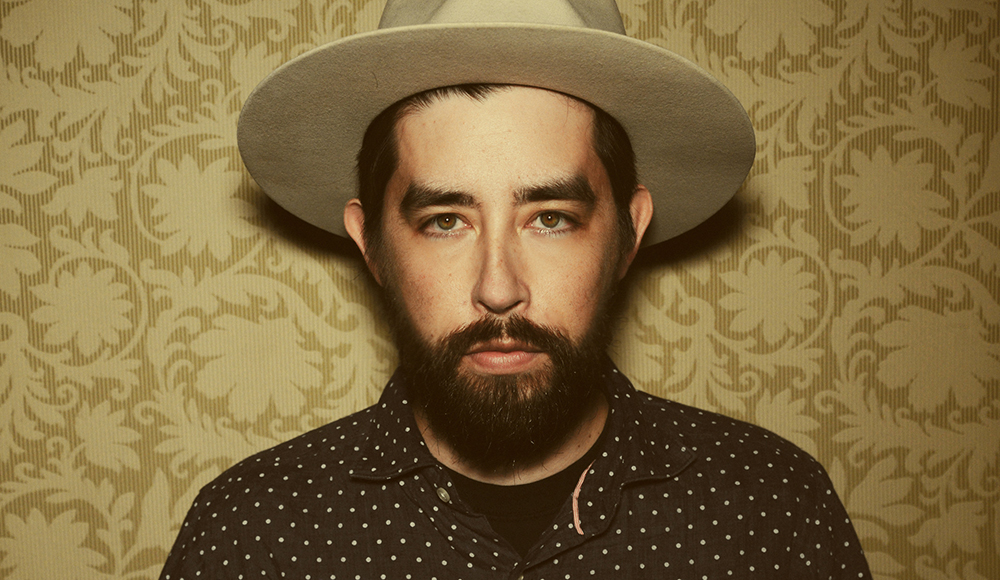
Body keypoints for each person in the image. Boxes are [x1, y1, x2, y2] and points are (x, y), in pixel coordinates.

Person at [161, 0, 872, 578]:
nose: (498, 289)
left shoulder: (773, 508)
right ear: (370, 245)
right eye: (445, 221)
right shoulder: (252, 533)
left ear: (628, 235)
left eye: (551, 218)